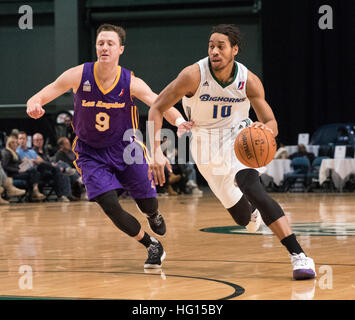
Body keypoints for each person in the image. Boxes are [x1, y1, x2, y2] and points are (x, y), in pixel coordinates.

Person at [148, 24, 316, 280]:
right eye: (211, 46)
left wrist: (266, 129)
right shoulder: (193, 75)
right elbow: (157, 107)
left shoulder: (248, 81)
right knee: (241, 218)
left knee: (250, 185)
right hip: (204, 144)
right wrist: (156, 151)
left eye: (221, 46)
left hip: (240, 138)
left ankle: (299, 256)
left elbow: (271, 122)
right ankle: (252, 212)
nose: (214, 51)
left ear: (234, 50)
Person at [26, 24, 192, 268]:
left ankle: (153, 214)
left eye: (110, 43)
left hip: (126, 148)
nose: (104, 47)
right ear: (96, 47)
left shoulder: (130, 82)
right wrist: (34, 103)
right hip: (90, 152)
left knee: (147, 202)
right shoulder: (78, 75)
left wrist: (178, 121)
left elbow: (160, 103)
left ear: (120, 49)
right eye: (100, 43)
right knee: (109, 204)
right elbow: (47, 91)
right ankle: (151, 244)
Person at [16, 131, 71, 202]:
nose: (22, 140)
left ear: (27, 140)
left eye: (23, 139)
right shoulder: (16, 152)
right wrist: (32, 161)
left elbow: (41, 161)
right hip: (29, 172)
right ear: (17, 140)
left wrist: (33, 161)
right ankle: (62, 171)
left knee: (54, 168)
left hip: (40, 171)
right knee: (54, 168)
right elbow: (20, 166)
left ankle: (62, 195)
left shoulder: (31, 152)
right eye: (20, 139)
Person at [1, 135, 46, 201]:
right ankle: (34, 192)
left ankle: (33, 193)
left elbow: (17, 164)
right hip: (11, 174)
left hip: (17, 171)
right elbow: (4, 166)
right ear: (9, 144)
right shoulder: (6, 152)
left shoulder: (14, 153)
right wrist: (18, 170)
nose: (16, 144)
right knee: (32, 172)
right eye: (14, 143)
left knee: (34, 171)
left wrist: (26, 164)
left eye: (16, 143)